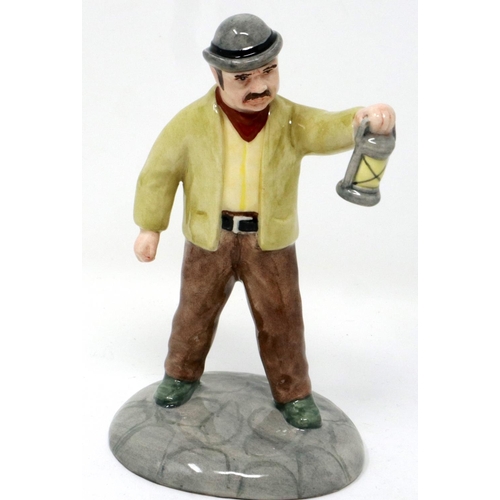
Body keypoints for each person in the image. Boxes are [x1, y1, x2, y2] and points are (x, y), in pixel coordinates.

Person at [133, 14, 395, 429]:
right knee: (194, 313)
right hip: (209, 239)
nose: (259, 86)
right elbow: (159, 173)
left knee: (283, 319)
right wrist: (150, 227)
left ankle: (293, 393)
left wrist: (361, 119)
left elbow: (325, 127)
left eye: (268, 71)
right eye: (243, 78)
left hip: (269, 242)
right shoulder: (191, 123)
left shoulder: (290, 120)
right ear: (216, 75)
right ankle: (180, 374)